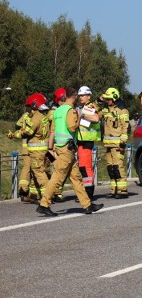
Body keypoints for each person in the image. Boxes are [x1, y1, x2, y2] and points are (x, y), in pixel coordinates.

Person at [36, 87, 103, 217]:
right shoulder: (70, 110)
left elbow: (52, 131)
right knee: (57, 178)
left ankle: (87, 205)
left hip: (61, 147)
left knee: (76, 178)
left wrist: (50, 149)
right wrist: (78, 118)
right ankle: (44, 204)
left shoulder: (57, 111)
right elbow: (72, 127)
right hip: (67, 148)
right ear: (75, 97)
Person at [20, 93, 52, 201]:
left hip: (36, 150)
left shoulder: (36, 117)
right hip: (43, 149)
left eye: (30, 107)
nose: (29, 110)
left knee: (38, 171)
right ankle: (35, 194)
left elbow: (27, 132)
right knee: (40, 170)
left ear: (34, 105)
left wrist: (16, 134)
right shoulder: (45, 116)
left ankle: (47, 195)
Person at [100, 87, 130, 197]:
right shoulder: (106, 110)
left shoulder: (123, 111)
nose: (107, 101)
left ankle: (122, 191)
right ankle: (114, 190)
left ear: (115, 98)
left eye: (109, 99)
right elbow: (95, 113)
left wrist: (122, 144)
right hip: (108, 144)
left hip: (117, 145)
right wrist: (99, 101)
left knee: (118, 167)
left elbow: (125, 129)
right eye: (106, 99)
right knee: (111, 168)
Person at [7, 97, 37, 202]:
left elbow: (17, 125)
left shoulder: (25, 116)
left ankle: (25, 190)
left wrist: (20, 130)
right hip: (35, 146)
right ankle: (26, 191)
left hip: (25, 146)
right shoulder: (37, 116)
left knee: (27, 167)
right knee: (33, 168)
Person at [76, 86, 101, 199]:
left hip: (87, 141)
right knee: (82, 167)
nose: (80, 97)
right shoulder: (83, 107)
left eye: (83, 95)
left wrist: (82, 115)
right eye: (79, 95)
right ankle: (86, 192)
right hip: (81, 141)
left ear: (88, 97)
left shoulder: (90, 107)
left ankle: (89, 193)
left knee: (85, 168)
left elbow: (96, 118)